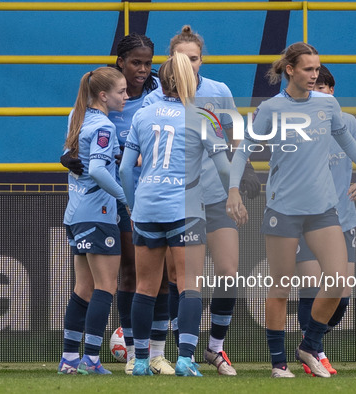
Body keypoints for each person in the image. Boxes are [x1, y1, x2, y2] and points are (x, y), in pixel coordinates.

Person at [225, 42, 356, 378]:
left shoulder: (327, 104)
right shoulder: (271, 108)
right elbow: (245, 150)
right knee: (280, 288)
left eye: (317, 70)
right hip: (283, 209)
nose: (314, 75)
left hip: (323, 210)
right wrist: (233, 191)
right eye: (308, 69)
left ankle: (309, 345)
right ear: (290, 70)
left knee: (337, 283)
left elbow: (347, 142)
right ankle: (278, 363)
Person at [142, 25, 259, 376]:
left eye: (194, 58)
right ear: (170, 61)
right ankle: (183, 353)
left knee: (228, 272)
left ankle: (216, 348)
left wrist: (245, 166)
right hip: (178, 202)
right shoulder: (155, 99)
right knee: (180, 278)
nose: (189, 65)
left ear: (201, 59)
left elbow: (236, 132)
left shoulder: (217, 91)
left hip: (216, 197)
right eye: (182, 59)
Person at [61, 33, 175, 375]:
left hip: (155, 196)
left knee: (163, 277)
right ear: (120, 63)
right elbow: (76, 151)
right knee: (125, 275)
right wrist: (67, 157)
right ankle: (129, 352)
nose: (142, 69)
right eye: (135, 63)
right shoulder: (97, 112)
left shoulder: (159, 98)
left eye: (147, 63)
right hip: (116, 204)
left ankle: (154, 352)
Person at [119, 52, 231, 377]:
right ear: (190, 81)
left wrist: (132, 203)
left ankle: (141, 360)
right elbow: (224, 169)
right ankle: (185, 358)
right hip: (186, 208)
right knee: (188, 285)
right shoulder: (203, 116)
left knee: (145, 286)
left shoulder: (143, 113)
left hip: (148, 206)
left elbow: (126, 169)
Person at [295, 65, 356, 376]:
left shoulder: (347, 123)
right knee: (313, 289)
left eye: (328, 88)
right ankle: (315, 351)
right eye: (317, 88)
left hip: (344, 221)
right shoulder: (297, 123)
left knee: (340, 297)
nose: (324, 93)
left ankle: (311, 342)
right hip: (305, 220)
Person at [57, 67, 129, 375]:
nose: (126, 96)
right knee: (105, 286)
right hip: (97, 213)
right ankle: (92, 359)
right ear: (103, 95)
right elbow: (99, 171)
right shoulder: (104, 127)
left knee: (83, 287)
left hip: (75, 211)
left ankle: (69, 359)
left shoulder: (77, 115)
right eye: (121, 91)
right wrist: (126, 199)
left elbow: (70, 156)